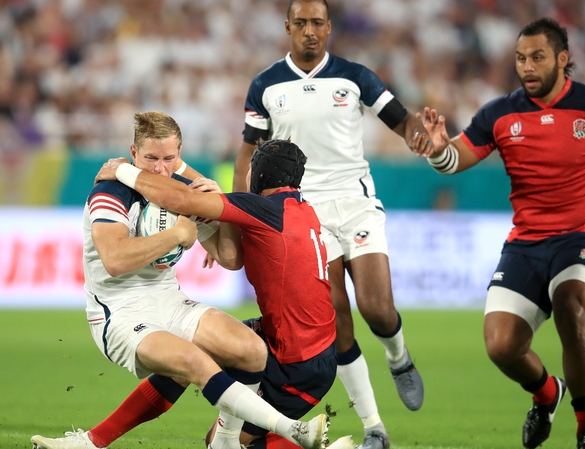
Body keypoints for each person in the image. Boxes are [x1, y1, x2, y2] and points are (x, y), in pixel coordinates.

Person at [30, 112, 330, 449]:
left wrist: (221, 205)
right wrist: (175, 235)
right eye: (151, 158)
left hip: (170, 300)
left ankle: (221, 443)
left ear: (180, 154)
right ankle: (292, 430)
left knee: (249, 349)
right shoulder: (111, 191)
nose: (160, 168)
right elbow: (114, 260)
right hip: (119, 313)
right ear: (133, 153)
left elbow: (230, 257)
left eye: (169, 158)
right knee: (193, 360)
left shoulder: (181, 191)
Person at [420, 17, 585, 449]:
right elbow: (455, 161)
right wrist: (437, 149)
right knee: (501, 345)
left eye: (537, 57)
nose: (527, 67)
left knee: (572, 308)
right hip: (526, 242)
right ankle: (546, 393)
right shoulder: (500, 113)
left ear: (562, 59)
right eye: (521, 58)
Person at [233, 1, 434, 447]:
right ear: (288, 27)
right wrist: (240, 218)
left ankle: (398, 357)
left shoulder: (355, 75)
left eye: (317, 23)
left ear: (329, 27)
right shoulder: (266, 85)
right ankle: (374, 428)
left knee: (378, 309)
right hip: (306, 211)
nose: (309, 31)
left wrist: (419, 134)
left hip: (356, 202)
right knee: (337, 318)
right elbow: (248, 153)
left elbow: (401, 119)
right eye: (300, 23)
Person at [95, 139, 355, 449]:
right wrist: (180, 169)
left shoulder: (264, 209)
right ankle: (94, 439)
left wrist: (123, 170)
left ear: (258, 175)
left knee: (219, 443)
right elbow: (237, 245)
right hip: (308, 344)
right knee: (193, 354)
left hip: (296, 361)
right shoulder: (300, 210)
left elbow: (182, 200)